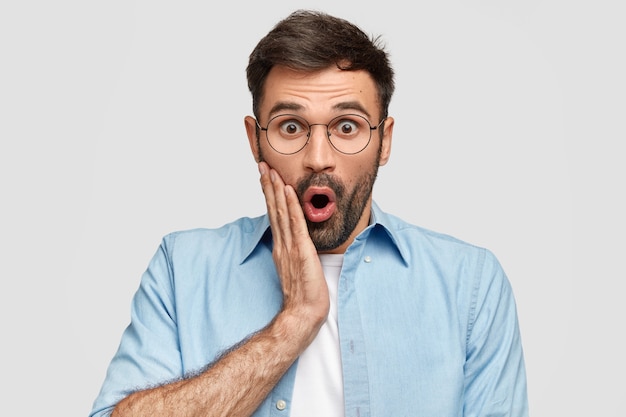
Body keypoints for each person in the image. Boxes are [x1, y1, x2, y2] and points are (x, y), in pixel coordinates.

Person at [89, 9, 528, 417]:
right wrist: (295, 322)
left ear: (385, 141)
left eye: (347, 126)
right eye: (291, 127)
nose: (318, 157)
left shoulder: (470, 284)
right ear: (254, 139)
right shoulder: (182, 268)